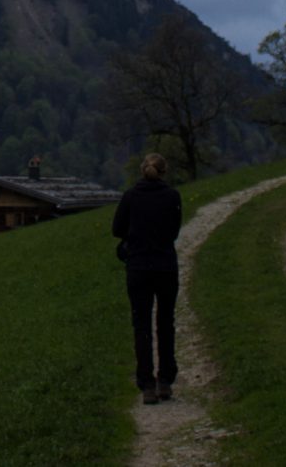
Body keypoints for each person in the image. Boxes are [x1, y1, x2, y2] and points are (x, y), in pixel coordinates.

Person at [111, 152, 182, 404]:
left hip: (138, 267)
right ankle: (165, 381)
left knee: (141, 325)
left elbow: (116, 229)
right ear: (164, 172)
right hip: (165, 267)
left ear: (143, 170)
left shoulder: (131, 197)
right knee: (165, 322)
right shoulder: (172, 197)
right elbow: (174, 231)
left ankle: (147, 385)